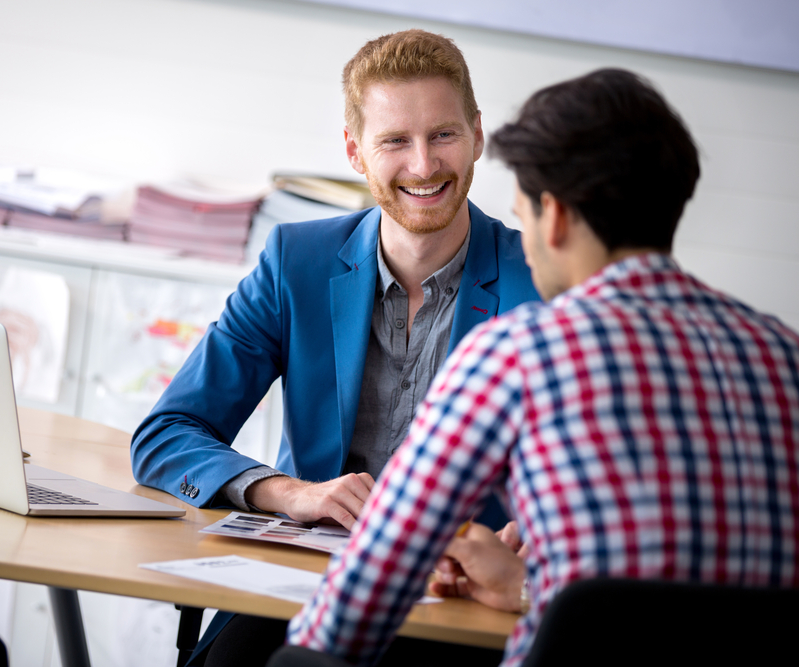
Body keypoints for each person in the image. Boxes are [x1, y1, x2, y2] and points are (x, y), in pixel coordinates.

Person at [284, 68, 799, 666]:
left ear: (551, 217)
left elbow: (367, 587)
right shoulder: (783, 354)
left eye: (523, 216)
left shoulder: (520, 355)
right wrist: (527, 588)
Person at [130, 29, 540, 666]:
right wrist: (290, 492)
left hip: (457, 607)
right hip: (302, 588)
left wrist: (530, 543)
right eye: (395, 141)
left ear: (478, 135)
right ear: (355, 151)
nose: (424, 165)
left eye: (444, 135)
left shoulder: (541, 285)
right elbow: (166, 435)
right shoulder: (296, 260)